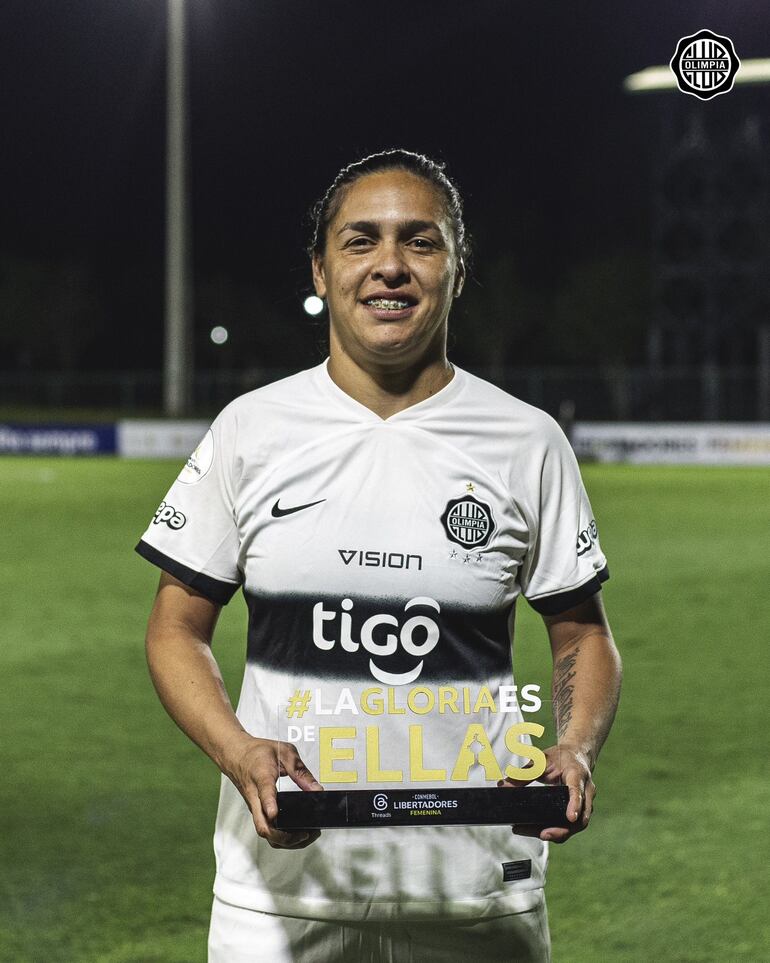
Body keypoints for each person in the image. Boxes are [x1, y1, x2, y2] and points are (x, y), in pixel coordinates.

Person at [137, 149, 622, 962]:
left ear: (457, 269)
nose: (389, 265)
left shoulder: (527, 440)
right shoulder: (250, 431)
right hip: (279, 898)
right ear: (321, 269)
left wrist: (573, 746)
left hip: (475, 893)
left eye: (420, 241)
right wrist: (239, 751)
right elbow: (173, 628)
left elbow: (583, 633)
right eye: (361, 240)